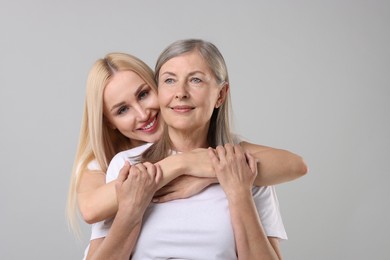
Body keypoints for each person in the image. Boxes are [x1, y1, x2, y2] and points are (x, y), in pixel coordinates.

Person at [86, 39, 306, 259]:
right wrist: (131, 210)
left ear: (220, 95)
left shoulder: (244, 166)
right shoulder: (127, 166)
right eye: (170, 80)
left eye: (196, 80)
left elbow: (297, 165)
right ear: (160, 90)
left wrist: (237, 191)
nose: (180, 92)